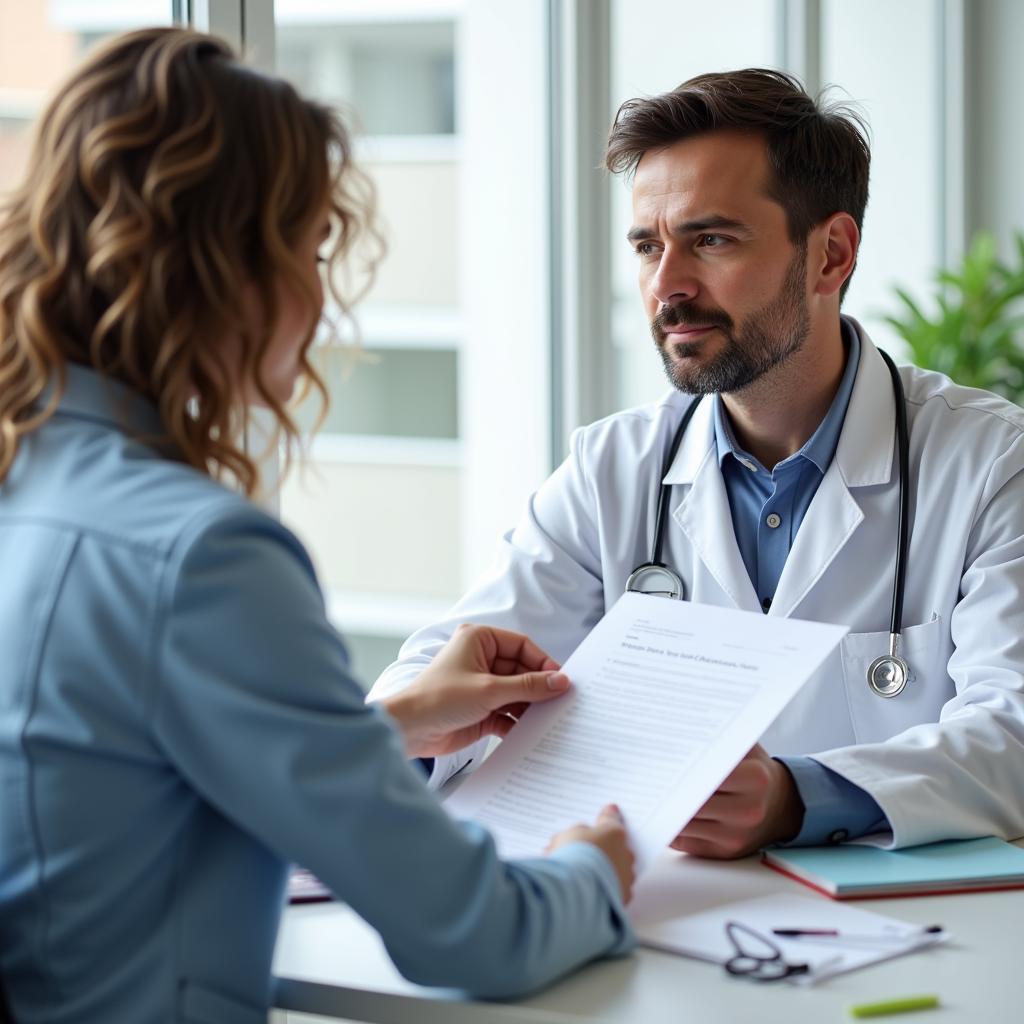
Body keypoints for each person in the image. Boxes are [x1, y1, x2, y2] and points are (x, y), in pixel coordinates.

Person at [0, 28, 637, 1024]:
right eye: (312, 245)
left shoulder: (27, 485)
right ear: (231, 263)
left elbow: (100, 776)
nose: (320, 292)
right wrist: (589, 872)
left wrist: (384, 726)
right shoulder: (202, 555)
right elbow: (472, 932)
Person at [373, 68, 1024, 858]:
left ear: (831, 254)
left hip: (922, 947)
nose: (666, 286)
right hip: (670, 929)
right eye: (649, 246)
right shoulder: (614, 468)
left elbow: (1012, 736)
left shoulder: (990, 462)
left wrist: (794, 798)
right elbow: (438, 673)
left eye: (711, 239)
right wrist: (408, 725)